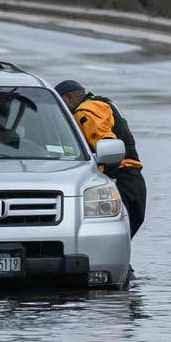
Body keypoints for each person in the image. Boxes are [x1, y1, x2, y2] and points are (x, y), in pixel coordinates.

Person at [57, 78, 145, 234]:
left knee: (113, 235)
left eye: (61, 104)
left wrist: (106, 180)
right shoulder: (100, 104)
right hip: (132, 178)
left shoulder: (85, 112)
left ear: (69, 97)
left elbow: (106, 144)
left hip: (122, 179)